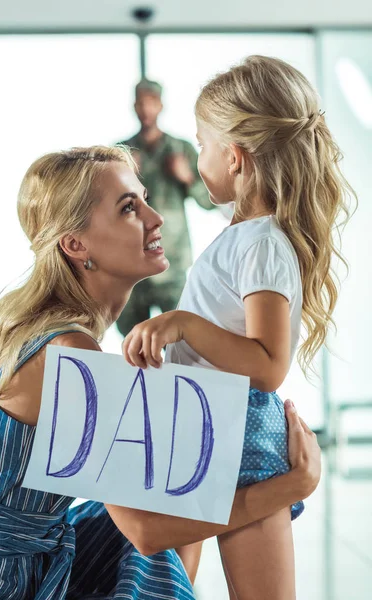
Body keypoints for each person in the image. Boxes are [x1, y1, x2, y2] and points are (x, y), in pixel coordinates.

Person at [0, 145, 320, 600]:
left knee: (185, 463)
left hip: (34, 552)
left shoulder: (59, 332)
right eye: (129, 208)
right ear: (76, 245)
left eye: (146, 198)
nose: (156, 219)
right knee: (174, 501)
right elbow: (146, 532)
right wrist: (294, 484)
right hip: (0, 582)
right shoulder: (71, 349)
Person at [122, 56, 356, 599]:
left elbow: (268, 365)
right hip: (208, 427)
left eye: (201, 143)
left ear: (234, 157)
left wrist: (181, 324)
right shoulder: (246, 236)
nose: (195, 155)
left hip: (240, 439)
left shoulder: (262, 243)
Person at [116, 79, 213, 337]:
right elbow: (104, 207)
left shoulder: (182, 149)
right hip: (132, 263)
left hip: (172, 261)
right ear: (133, 106)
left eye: (152, 103)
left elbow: (209, 201)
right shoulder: (121, 153)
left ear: (161, 106)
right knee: (132, 341)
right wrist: (124, 176)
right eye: (140, 103)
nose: (146, 110)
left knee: (182, 343)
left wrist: (186, 178)